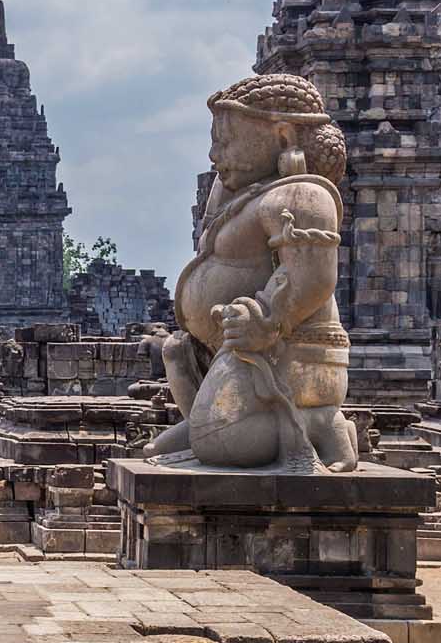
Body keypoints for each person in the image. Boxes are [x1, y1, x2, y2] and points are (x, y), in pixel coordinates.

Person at [150, 73, 356, 472]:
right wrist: (226, 182)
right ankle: (207, 423)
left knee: (220, 444)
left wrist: (268, 321)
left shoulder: (304, 195)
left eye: (226, 142)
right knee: (175, 353)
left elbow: (315, 279)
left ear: (283, 137)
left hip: (286, 351)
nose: (214, 154)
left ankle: (318, 424)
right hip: (230, 349)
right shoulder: (250, 196)